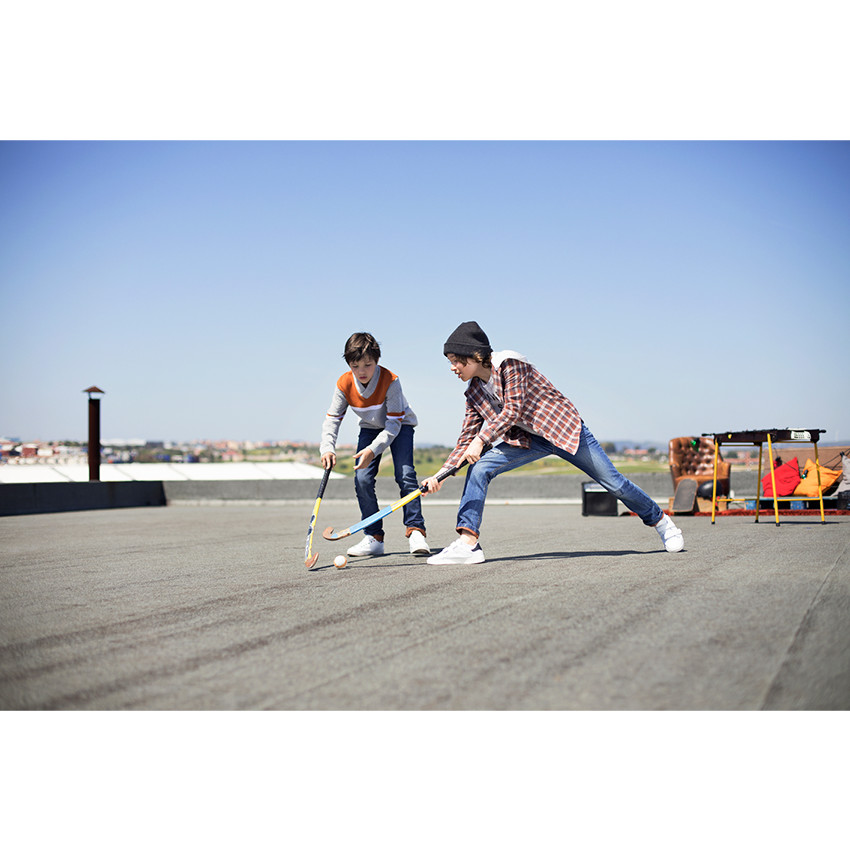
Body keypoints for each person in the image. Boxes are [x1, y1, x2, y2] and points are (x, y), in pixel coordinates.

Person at [422, 321, 684, 565]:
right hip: (528, 440)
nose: (452, 367)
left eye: (456, 360)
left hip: (564, 429)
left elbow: (513, 410)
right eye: (450, 362)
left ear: (475, 355)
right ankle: (468, 544)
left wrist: (481, 441)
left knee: (615, 484)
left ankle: (661, 522)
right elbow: (466, 439)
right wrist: (442, 474)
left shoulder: (510, 364)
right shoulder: (473, 393)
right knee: (479, 469)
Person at [320, 332, 430, 557]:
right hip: (370, 429)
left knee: (405, 474)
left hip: (399, 426)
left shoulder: (391, 381)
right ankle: (373, 537)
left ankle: (416, 530)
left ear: (377, 361)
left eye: (367, 365)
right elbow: (333, 419)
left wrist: (373, 449)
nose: (361, 371)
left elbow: (393, 425)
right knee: (362, 479)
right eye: (355, 365)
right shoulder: (344, 383)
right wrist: (327, 448)